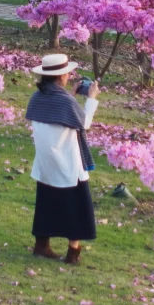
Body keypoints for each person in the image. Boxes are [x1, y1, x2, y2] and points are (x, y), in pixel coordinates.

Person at [25, 52, 98, 264]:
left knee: (46, 205)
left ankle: (41, 245)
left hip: (46, 163)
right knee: (76, 208)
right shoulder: (64, 101)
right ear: (62, 76)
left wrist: (72, 97)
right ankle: (73, 254)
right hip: (67, 162)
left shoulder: (37, 98)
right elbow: (83, 123)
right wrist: (91, 99)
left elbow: (58, 117)